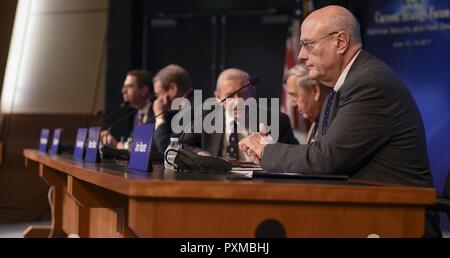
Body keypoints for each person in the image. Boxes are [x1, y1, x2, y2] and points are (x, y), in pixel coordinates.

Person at [239, 5, 441, 237]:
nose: (301, 55)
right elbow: (322, 155)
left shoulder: (369, 84)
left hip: (397, 221)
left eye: (308, 44)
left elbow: (324, 159)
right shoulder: (344, 86)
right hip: (367, 212)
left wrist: (266, 150)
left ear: (341, 42)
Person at [183, 68, 298, 161]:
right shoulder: (206, 116)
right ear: (217, 97)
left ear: (253, 93)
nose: (237, 102)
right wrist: (200, 154)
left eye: (242, 95)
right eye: (230, 96)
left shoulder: (277, 120)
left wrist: (269, 153)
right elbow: (184, 144)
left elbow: (292, 155)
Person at [100, 69, 155, 149]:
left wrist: (117, 145)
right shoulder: (139, 115)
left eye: (129, 86)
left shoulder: (157, 113)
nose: (123, 91)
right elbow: (133, 142)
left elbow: (147, 147)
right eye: (124, 87)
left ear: (143, 90)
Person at [284, 64, 331, 144]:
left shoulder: (332, 125)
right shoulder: (316, 123)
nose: (292, 104)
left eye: (295, 95)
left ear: (315, 91)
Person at [152, 64, 193, 153]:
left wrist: (159, 119)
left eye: (159, 95)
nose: (157, 101)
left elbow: (167, 151)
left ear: (172, 88)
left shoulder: (194, 112)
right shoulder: (171, 113)